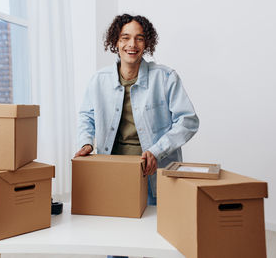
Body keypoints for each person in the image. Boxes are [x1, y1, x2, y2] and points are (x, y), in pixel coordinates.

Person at [75, 13, 198, 210]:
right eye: (125, 38)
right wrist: (86, 142)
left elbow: (188, 121)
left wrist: (157, 151)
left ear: (146, 43)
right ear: (115, 42)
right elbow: (86, 116)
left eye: (139, 38)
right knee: (113, 223)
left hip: (152, 170)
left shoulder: (166, 77)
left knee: (153, 228)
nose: (132, 44)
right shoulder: (99, 80)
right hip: (112, 169)